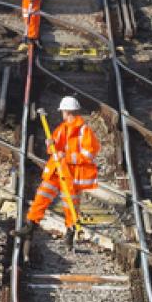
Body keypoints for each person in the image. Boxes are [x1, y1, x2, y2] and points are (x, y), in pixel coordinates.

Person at [23, 95, 100, 236]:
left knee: (70, 204)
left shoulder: (84, 131)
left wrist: (68, 157)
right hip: (57, 170)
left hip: (71, 173)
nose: (62, 114)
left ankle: (71, 231)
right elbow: (54, 149)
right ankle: (30, 224)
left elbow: (89, 154)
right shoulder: (61, 128)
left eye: (63, 111)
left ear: (67, 112)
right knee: (42, 195)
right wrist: (50, 145)